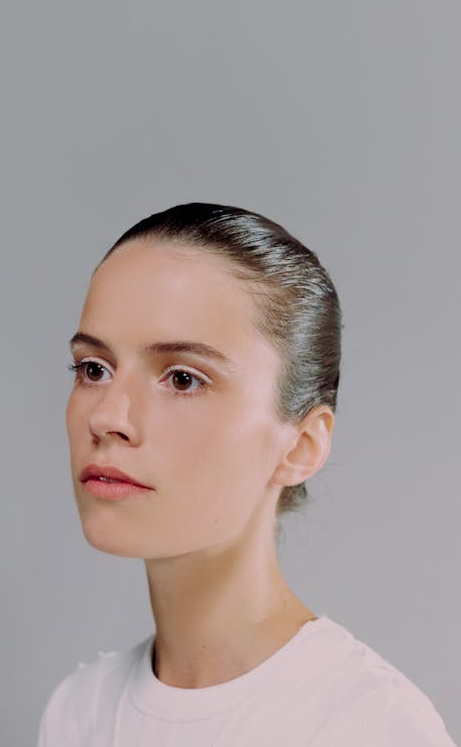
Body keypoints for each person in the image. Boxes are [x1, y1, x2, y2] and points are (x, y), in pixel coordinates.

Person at [37, 202, 456, 746]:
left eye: (183, 379)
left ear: (301, 445)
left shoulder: (369, 726)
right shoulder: (78, 712)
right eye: (94, 369)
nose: (107, 416)